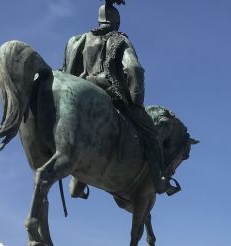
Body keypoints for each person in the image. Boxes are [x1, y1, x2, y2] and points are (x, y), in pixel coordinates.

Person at [61, 1, 176, 197]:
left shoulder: (76, 40)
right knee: (151, 135)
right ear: (117, 22)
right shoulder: (118, 39)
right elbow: (134, 69)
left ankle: (78, 183)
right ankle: (159, 181)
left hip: (80, 88)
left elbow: (65, 70)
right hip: (110, 91)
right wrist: (136, 101)